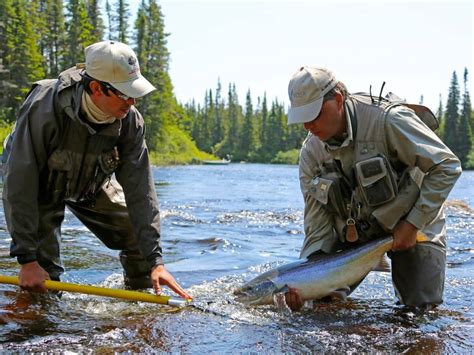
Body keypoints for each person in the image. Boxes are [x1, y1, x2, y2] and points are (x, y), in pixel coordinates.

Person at [2, 40, 191, 300]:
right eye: (125, 93)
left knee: (136, 237)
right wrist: (26, 259)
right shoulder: (44, 106)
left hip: (92, 182)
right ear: (95, 88)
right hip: (38, 185)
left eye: (134, 92)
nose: (132, 101)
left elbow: (141, 191)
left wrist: (155, 262)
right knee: (42, 280)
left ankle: (142, 303)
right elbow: (19, 183)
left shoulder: (130, 121)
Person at [284, 66, 462, 311]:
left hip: (414, 221)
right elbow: (317, 226)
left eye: (313, 114)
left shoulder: (389, 120)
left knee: (420, 312)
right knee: (319, 308)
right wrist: (309, 279)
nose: (307, 126)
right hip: (355, 234)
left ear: (338, 100)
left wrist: (412, 224)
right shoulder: (311, 155)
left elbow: (446, 166)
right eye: (302, 117)